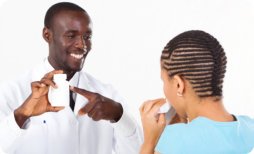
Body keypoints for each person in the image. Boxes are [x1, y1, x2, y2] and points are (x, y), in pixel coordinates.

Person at [0, 2, 141, 154]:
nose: (82, 45)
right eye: (71, 35)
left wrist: (118, 116)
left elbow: (139, 150)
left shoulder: (107, 94)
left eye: (87, 36)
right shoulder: (12, 93)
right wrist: (21, 115)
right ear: (47, 35)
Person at [139, 30, 254, 154]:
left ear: (179, 85)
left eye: (164, 80)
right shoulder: (249, 126)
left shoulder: (173, 141)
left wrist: (150, 142)